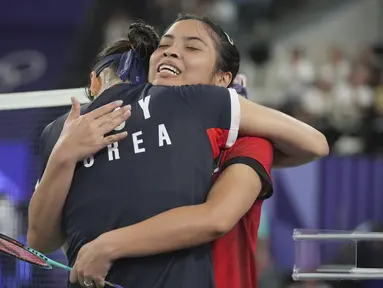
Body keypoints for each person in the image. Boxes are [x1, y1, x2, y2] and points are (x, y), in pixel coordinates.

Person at [28, 18, 328, 288]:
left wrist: (107, 246)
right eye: (164, 45)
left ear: (223, 81)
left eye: (193, 47)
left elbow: (216, 217)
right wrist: (64, 153)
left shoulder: (243, 137)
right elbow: (40, 240)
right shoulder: (68, 132)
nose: (170, 52)